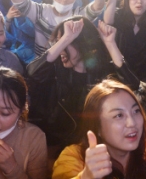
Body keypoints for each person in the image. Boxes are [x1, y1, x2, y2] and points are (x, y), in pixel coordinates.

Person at [26, 17, 140, 147]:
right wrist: (66, 39)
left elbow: (132, 85)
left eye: (68, 42)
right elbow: (32, 73)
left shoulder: (103, 73)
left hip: (96, 144)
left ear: (83, 43)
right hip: (57, 144)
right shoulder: (54, 70)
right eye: (59, 42)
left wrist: (110, 43)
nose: (61, 49)